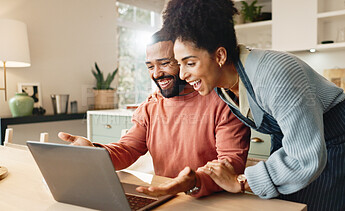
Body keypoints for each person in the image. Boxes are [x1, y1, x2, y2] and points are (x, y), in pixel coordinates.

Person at [161, 0, 345, 210]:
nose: (183, 74)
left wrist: (240, 182)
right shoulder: (221, 86)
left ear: (220, 56)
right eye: (180, 64)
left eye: (190, 63)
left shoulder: (274, 74)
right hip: (292, 141)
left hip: (336, 140)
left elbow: (306, 157)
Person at [58, 29, 250, 198]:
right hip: (164, 196)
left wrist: (194, 181)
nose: (156, 74)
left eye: (165, 63)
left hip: (212, 201)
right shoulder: (151, 105)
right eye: (150, 66)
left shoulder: (224, 102)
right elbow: (128, 149)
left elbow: (230, 163)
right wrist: (94, 152)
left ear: (185, 61)